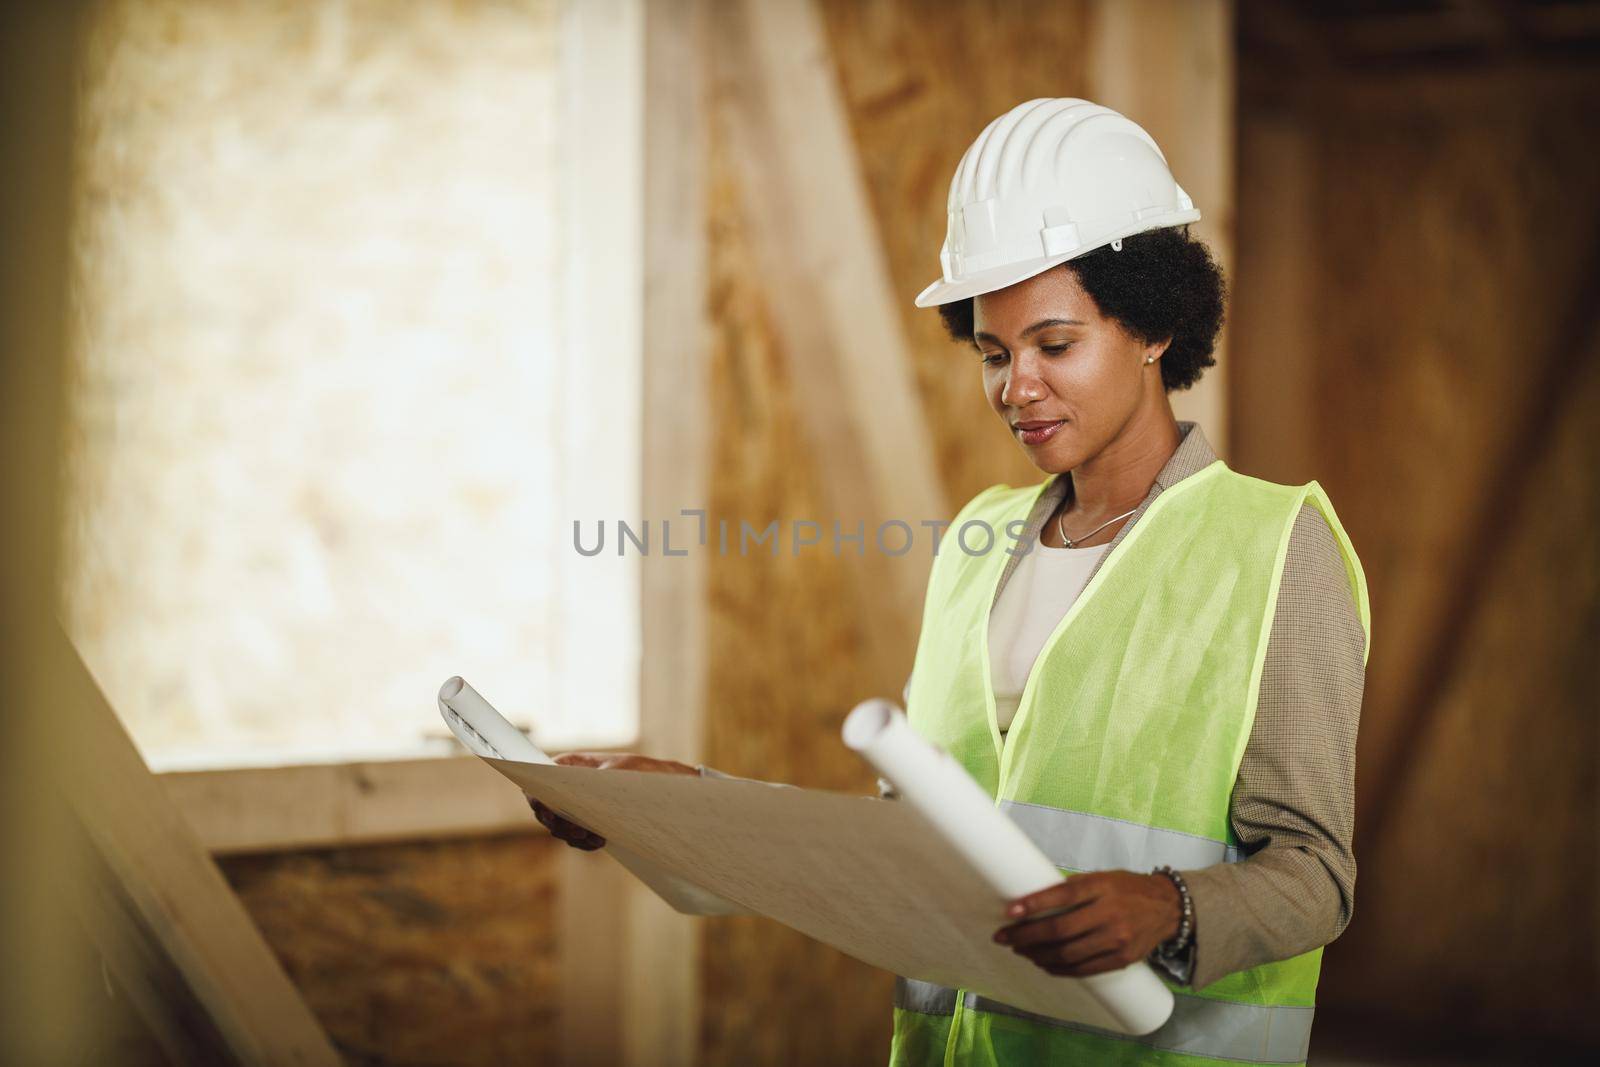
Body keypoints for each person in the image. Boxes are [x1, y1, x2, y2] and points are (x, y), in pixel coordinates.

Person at [529, 98, 1369, 1067]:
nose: (1017, 386)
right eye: (994, 353)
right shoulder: (980, 537)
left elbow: (1316, 873)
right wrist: (683, 809)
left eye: (1054, 345)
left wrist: (1171, 907)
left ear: (1153, 327)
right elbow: (908, 848)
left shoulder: (1271, 543)